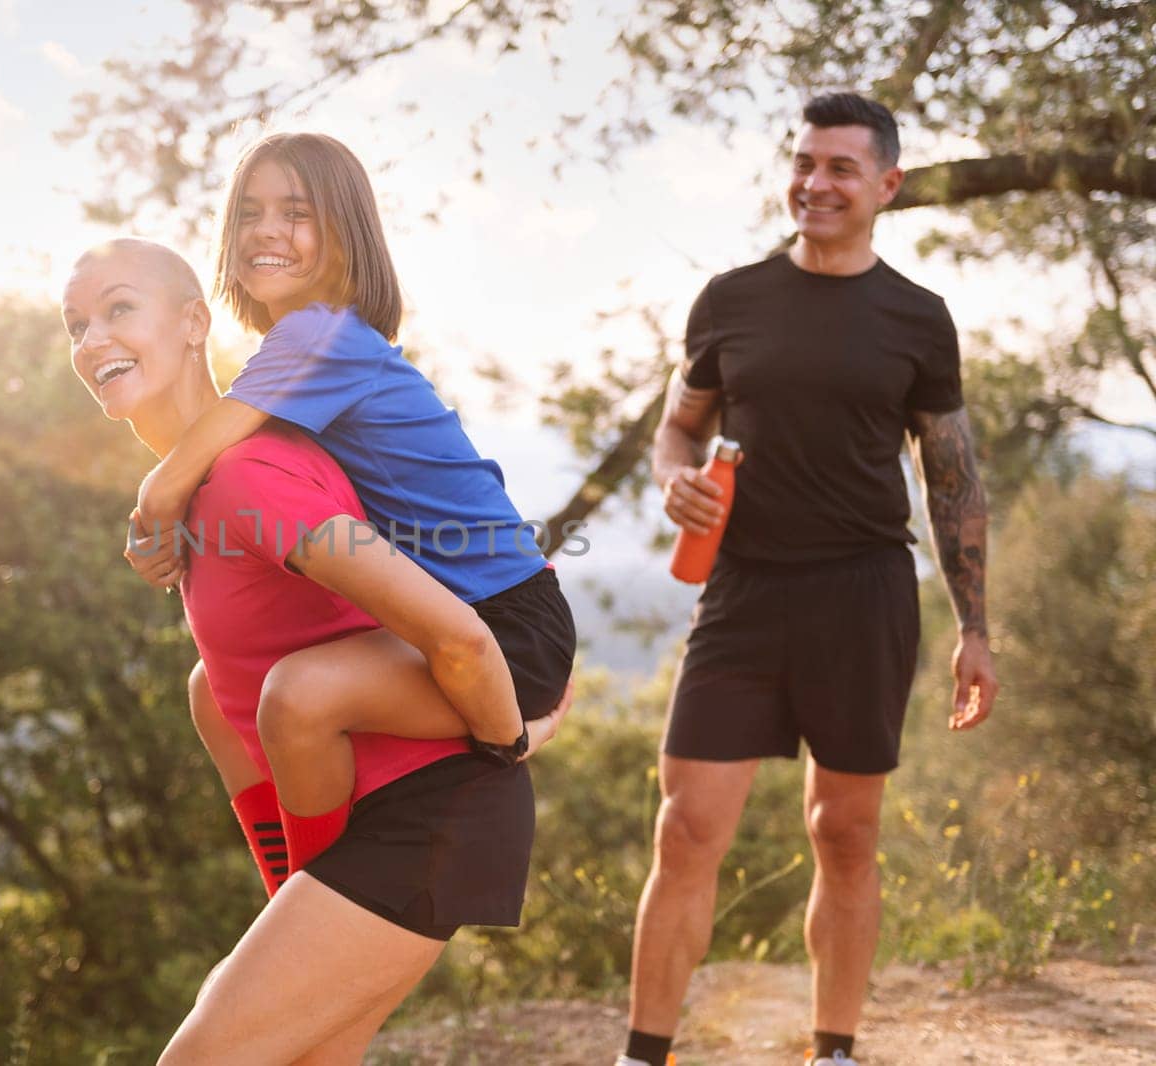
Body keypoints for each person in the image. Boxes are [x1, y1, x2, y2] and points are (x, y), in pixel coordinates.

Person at [64, 237, 570, 1063]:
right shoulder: (195, 508)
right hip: (361, 852)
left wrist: (528, 722)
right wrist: (290, 909)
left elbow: (459, 628)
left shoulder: (248, 476)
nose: (91, 341)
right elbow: (251, 753)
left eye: (119, 309)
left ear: (196, 322)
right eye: (76, 325)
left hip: (424, 822)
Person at [617, 93, 999, 1066]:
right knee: (689, 825)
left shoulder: (918, 318)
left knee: (843, 831)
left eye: (838, 167)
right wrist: (673, 480)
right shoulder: (731, 298)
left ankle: (831, 1048)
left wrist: (975, 628)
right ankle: (640, 1055)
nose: (814, 183)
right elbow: (678, 425)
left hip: (863, 592)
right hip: (741, 591)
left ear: (885, 184)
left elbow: (949, 475)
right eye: (803, 162)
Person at [125, 132, 577, 870]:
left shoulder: (320, 336)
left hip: (505, 629)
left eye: (296, 212)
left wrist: (159, 536)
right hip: (463, 610)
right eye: (249, 212)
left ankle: (316, 897)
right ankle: (290, 885)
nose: (267, 229)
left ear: (346, 235)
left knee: (298, 695)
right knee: (215, 686)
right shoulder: (305, 348)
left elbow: (170, 479)